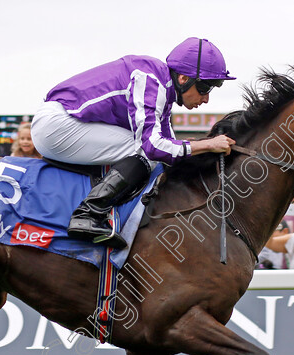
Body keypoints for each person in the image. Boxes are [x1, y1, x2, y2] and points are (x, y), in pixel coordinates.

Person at [31, 37, 236, 249]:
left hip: (62, 124)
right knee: (148, 153)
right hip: (57, 125)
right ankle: (88, 215)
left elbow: (171, 147)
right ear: (184, 78)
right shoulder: (151, 80)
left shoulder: (163, 89)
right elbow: (154, 147)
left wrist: (200, 148)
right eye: (205, 88)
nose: (206, 99)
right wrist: (208, 144)